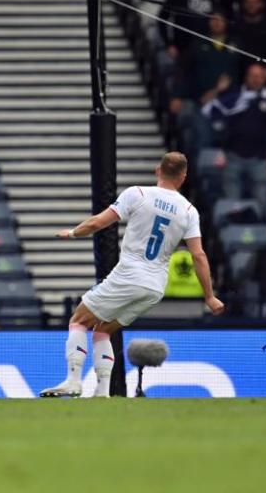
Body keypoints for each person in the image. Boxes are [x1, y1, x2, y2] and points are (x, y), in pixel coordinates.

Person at [40, 152, 224, 398]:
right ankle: (102, 392)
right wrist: (209, 297)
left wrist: (73, 233)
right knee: (104, 329)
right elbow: (198, 256)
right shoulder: (189, 211)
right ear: (183, 177)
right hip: (155, 287)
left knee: (79, 320)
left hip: (129, 276)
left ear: (157, 170)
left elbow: (97, 223)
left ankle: (73, 381)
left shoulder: (137, 194)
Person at [202, 63, 266, 208]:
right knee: (232, 204)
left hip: (259, 158)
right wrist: (218, 89)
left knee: (262, 202)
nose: (256, 80)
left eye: (260, 77)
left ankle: (260, 224)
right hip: (233, 156)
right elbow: (204, 105)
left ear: (265, 79)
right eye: (253, 76)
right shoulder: (234, 95)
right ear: (246, 77)